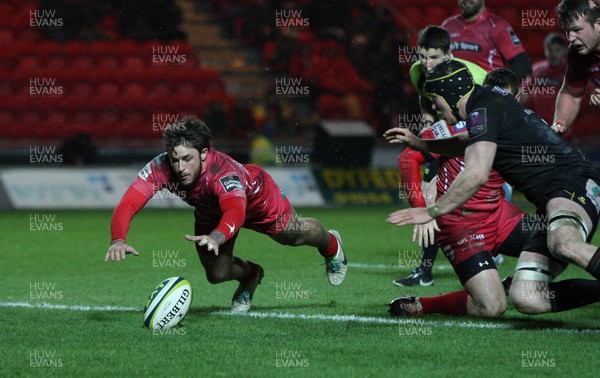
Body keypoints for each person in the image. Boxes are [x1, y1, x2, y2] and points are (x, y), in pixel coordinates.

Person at [386, 60, 600, 317]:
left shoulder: (484, 109)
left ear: (449, 95)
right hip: (549, 198)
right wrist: (424, 144)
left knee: (563, 243)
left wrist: (430, 211)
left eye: (435, 99)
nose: (434, 107)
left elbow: (476, 174)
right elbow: (466, 142)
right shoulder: (487, 104)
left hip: (570, 182)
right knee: (526, 298)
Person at [104, 116, 348, 312]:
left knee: (293, 236)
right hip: (210, 212)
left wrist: (218, 236)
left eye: (187, 159)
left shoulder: (223, 172)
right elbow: (128, 203)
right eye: (175, 159)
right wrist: (118, 238)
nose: (180, 168)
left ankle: (331, 244)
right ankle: (252, 275)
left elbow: (235, 210)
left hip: (258, 200)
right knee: (216, 274)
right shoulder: (160, 167)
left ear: (203, 153)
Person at [388, 68, 537, 317]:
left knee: (559, 240)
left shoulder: (516, 123)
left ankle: (513, 285)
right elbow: (407, 159)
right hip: (462, 225)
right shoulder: (453, 126)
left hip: (500, 216)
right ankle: (425, 304)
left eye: (507, 98)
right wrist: (420, 208)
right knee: (492, 308)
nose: (500, 103)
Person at [394, 25, 490, 287]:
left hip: (479, 131)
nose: (426, 63)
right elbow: (425, 98)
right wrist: (427, 123)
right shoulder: (418, 71)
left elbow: (492, 106)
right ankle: (425, 270)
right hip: (449, 131)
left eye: (433, 57)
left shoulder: (473, 75)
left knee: (468, 199)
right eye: (423, 56)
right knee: (431, 193)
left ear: (448, 56)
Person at [441, 0, 532, 81]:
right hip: (455, 94)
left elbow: (523, 64)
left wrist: (499, 85)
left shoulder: (497, 26)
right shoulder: (448, 25)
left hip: (485, 96)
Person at [553, 0, 600, 134]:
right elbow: (571, 94)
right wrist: (560, 123)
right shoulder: (576, 54)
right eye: (567, 31)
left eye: (577, 30)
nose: (570, 38)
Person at [521, 33, 568, 125]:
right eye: (550, 49)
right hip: (540, 124)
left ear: (564, 51)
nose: (553, 54)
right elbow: (524, 92)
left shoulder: (570, 71)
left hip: (564, 125)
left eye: (557, 50)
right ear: (545, 50)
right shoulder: (537, 69)